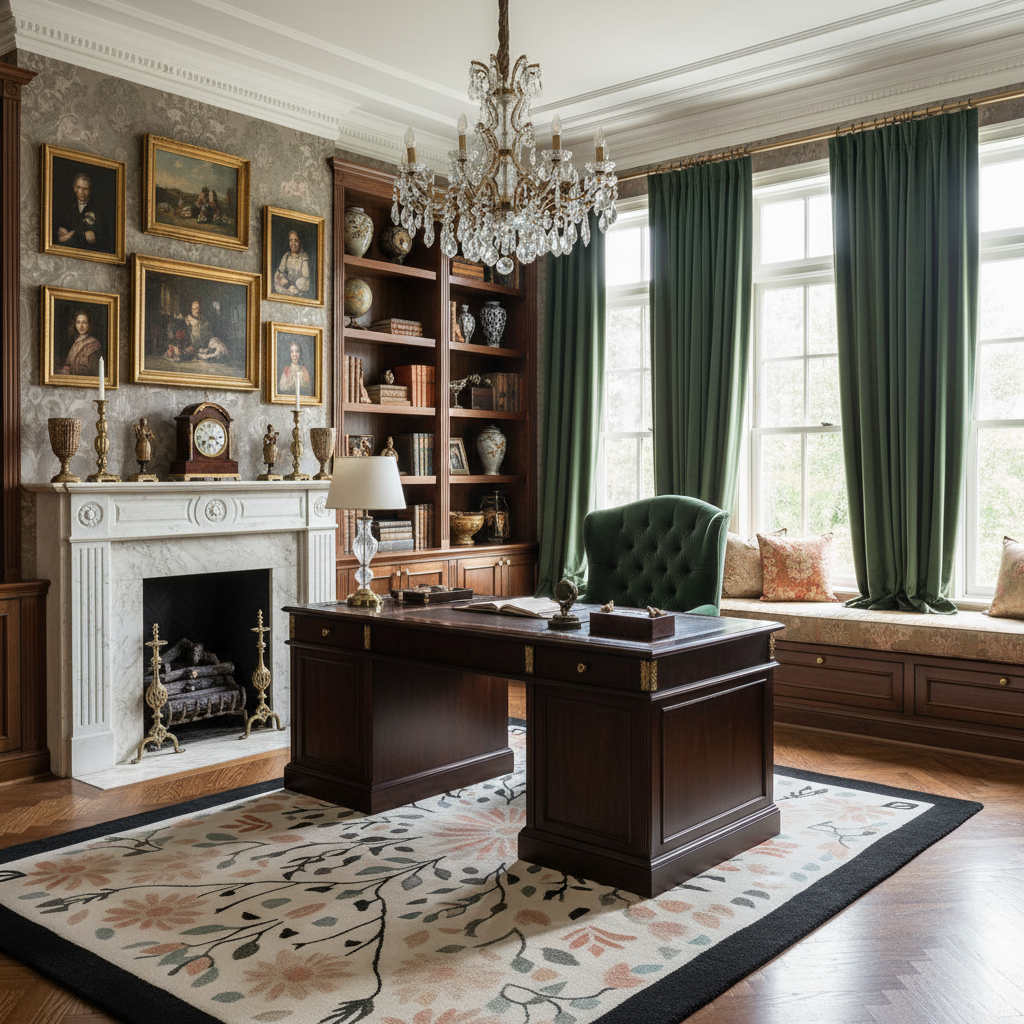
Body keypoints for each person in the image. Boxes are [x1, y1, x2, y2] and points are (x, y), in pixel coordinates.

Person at [54, 171, 110, 253]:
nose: (82, 192)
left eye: (85, 189)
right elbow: (59, 231)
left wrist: (70, 235)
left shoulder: (97, 211)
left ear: (90, 190)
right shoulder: (69, 208)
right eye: (79, 187)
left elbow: (103, 238)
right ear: (75, 189)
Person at [59, 309, 102, 376]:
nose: (81, 326)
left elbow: (94, 372)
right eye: (78, 322)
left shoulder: (94, 344)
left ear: (89, 324)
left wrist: (71, 371)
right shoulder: (76, 343)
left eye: (84, 322)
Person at [273, 230, 311, 297]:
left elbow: (305, 280)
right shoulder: (286, 256)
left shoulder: (304, 258)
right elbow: (279, 272)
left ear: (300, 242)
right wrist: (282, 280)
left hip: (298, 290)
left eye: (296, 240)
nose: (293, 243)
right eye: (291, 240)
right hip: (287, 287)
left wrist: (295, 286)